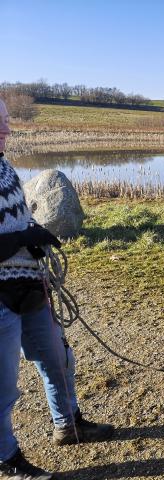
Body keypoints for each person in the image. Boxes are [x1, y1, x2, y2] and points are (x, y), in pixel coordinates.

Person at [0, 99, 113, 480]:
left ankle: (68, 424)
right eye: (1, 124)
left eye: (7, 122)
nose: (8, 131)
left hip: (30, 286)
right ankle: (8, 461)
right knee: (2, 387)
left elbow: (17, 223)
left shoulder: (5, 170)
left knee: (58, 359)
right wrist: (23, 237)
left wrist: (32, 240)